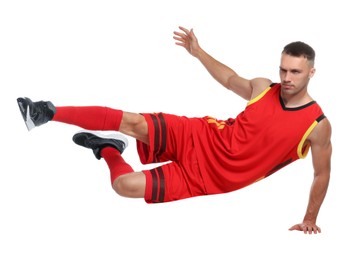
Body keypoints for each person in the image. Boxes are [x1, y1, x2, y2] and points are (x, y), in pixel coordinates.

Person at [17, 26, 332, 234]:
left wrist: (310, 219)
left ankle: (108, 148)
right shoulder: (264, 88)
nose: (287, 77)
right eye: (283, 69)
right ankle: (46, 111)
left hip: (205, 179)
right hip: (201, 135)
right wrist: (198, 52)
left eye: (295, 71)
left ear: (311, 72)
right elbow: (229, 78)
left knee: (125, 186)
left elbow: (321, 174)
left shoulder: (316, 126)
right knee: (135, 122)